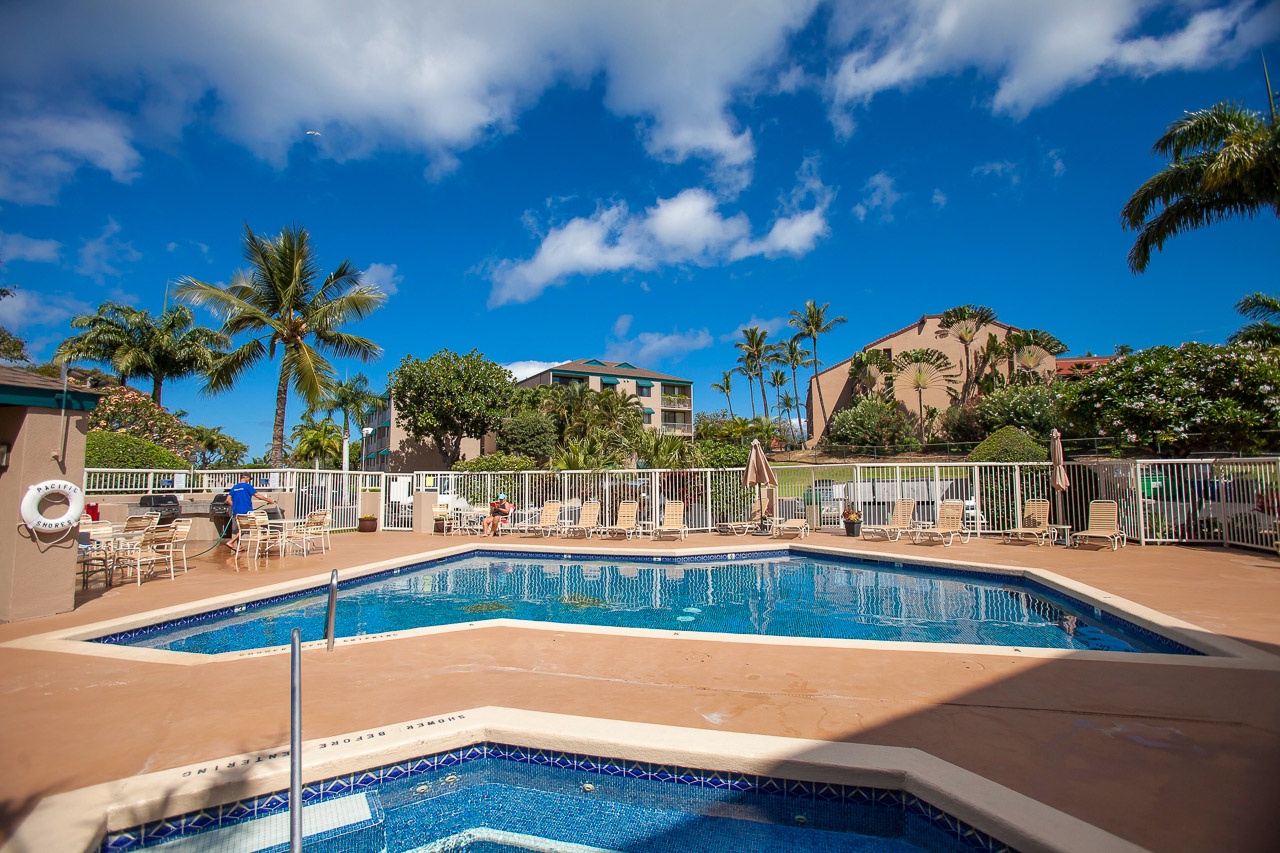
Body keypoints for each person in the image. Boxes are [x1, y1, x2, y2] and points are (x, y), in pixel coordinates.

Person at [225, 474, 276, 550]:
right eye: (249, 478)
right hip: (246, 511)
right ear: (246, 478)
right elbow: (258, 496)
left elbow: (227, 500)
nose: (249, 480)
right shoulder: (247, 486)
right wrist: (269, 500)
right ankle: (231, 542)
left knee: (239, 529)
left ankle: (240, 546)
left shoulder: (234, 487)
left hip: (236, 512)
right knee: (245, 528)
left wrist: (235, 506)